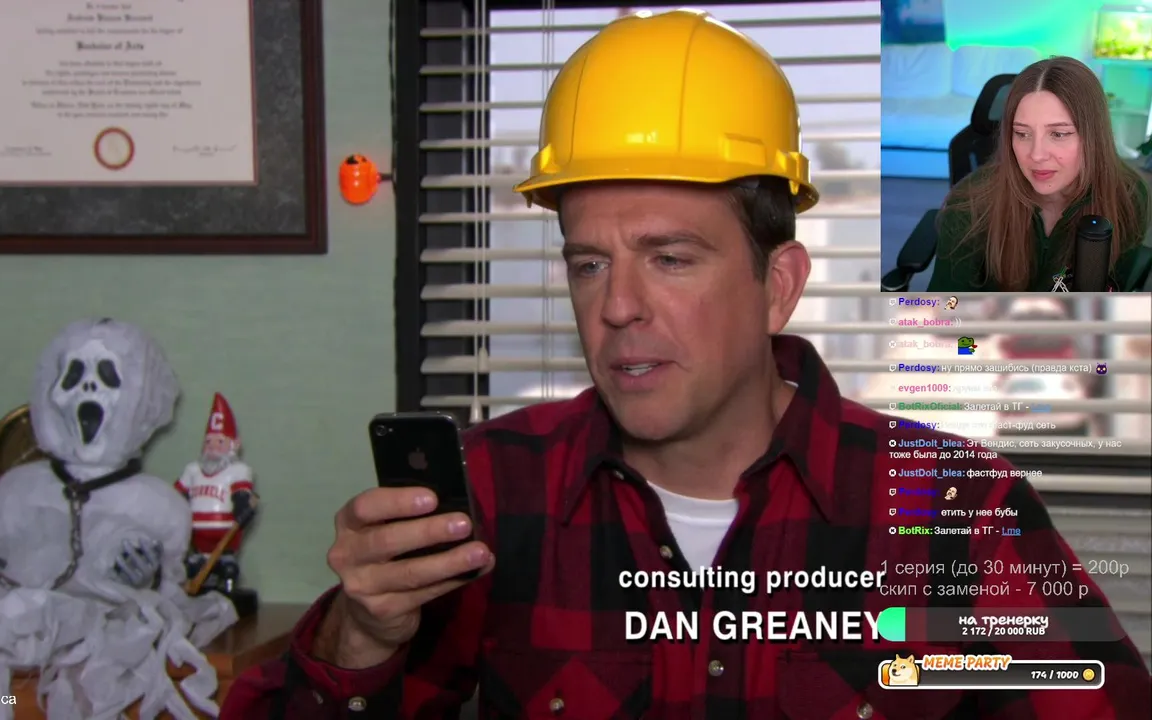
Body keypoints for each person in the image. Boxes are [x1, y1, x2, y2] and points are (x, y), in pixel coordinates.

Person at [223, 10, 1151, 719]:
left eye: (669, 258)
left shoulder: (957, 512)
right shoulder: (493, 495)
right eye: (589, 264)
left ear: (777, 286)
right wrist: (358, 637)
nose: (617, 307)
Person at [928, 56, 1151, 292]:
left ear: (1093, 137)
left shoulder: (1127, 195)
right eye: (1022, 134)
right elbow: (947, 309)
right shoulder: (969, 205)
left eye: (1058, 134)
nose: (1036, 155)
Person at [175, 392, 258, 591]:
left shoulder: (238, 471)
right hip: (196, 541)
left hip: (225, 541)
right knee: (192, 569)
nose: (212, 446)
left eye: (219, 442)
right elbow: (176, 496)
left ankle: (228, 589)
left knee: (228, 570)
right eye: (208, 441)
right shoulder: (192, 470)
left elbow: (241, 495)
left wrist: (243, 506)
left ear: (234, 445)